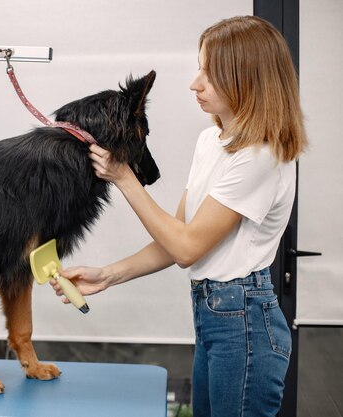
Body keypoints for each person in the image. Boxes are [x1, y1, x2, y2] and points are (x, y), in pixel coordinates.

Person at [50, 15, 307, 417]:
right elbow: (177, 236)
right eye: (199, 67)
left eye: (210, 72)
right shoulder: (212, 141)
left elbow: (187, 248)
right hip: (213, 314)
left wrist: (122, 175)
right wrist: (108, 274)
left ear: (248, 79)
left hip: (244, 324)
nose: (195, 83)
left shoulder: (261, 156)